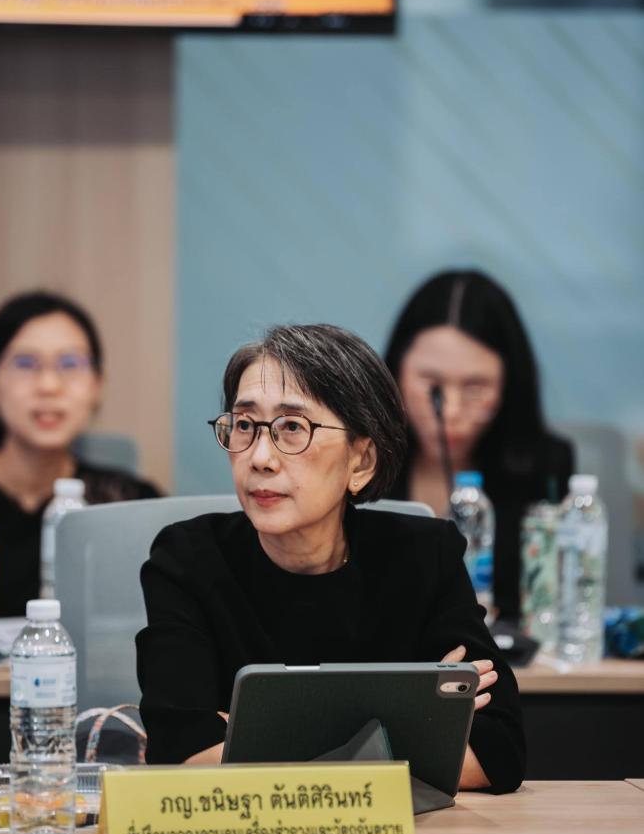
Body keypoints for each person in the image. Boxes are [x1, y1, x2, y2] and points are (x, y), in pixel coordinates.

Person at [137, 324, 525, 793]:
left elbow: (498, 751)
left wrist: (245, 734)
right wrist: (402, 734)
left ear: (361, 462)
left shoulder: (424, 557)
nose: (260, 457)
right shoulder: (188, 560)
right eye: (244, 425)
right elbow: (179, 756)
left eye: (292, 428)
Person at [0, 290, 161, 616]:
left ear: (98, 385)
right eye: (25, 364)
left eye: (70, 364)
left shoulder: (131, 504)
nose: (49, 385)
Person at [384, 270, 574, 619]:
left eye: (476, 389)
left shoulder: (546, 463)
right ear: (396, 371)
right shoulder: (359, 456)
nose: (452, 411)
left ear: (508, 385)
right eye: (432, 385)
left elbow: (545, 600)